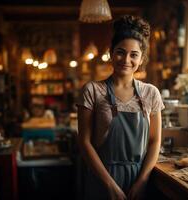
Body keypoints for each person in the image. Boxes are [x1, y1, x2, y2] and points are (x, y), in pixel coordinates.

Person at [77, 15, 165, 200]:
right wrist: (109, 185)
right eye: (120, 52)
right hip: (101, 179)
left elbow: (155, 141)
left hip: (138, 180)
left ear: (141, 59)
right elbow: (84, 142)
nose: (126, 59)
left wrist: (142, 181)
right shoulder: (92, 90)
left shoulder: (151, 93)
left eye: (134, 55)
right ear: (111, 52)